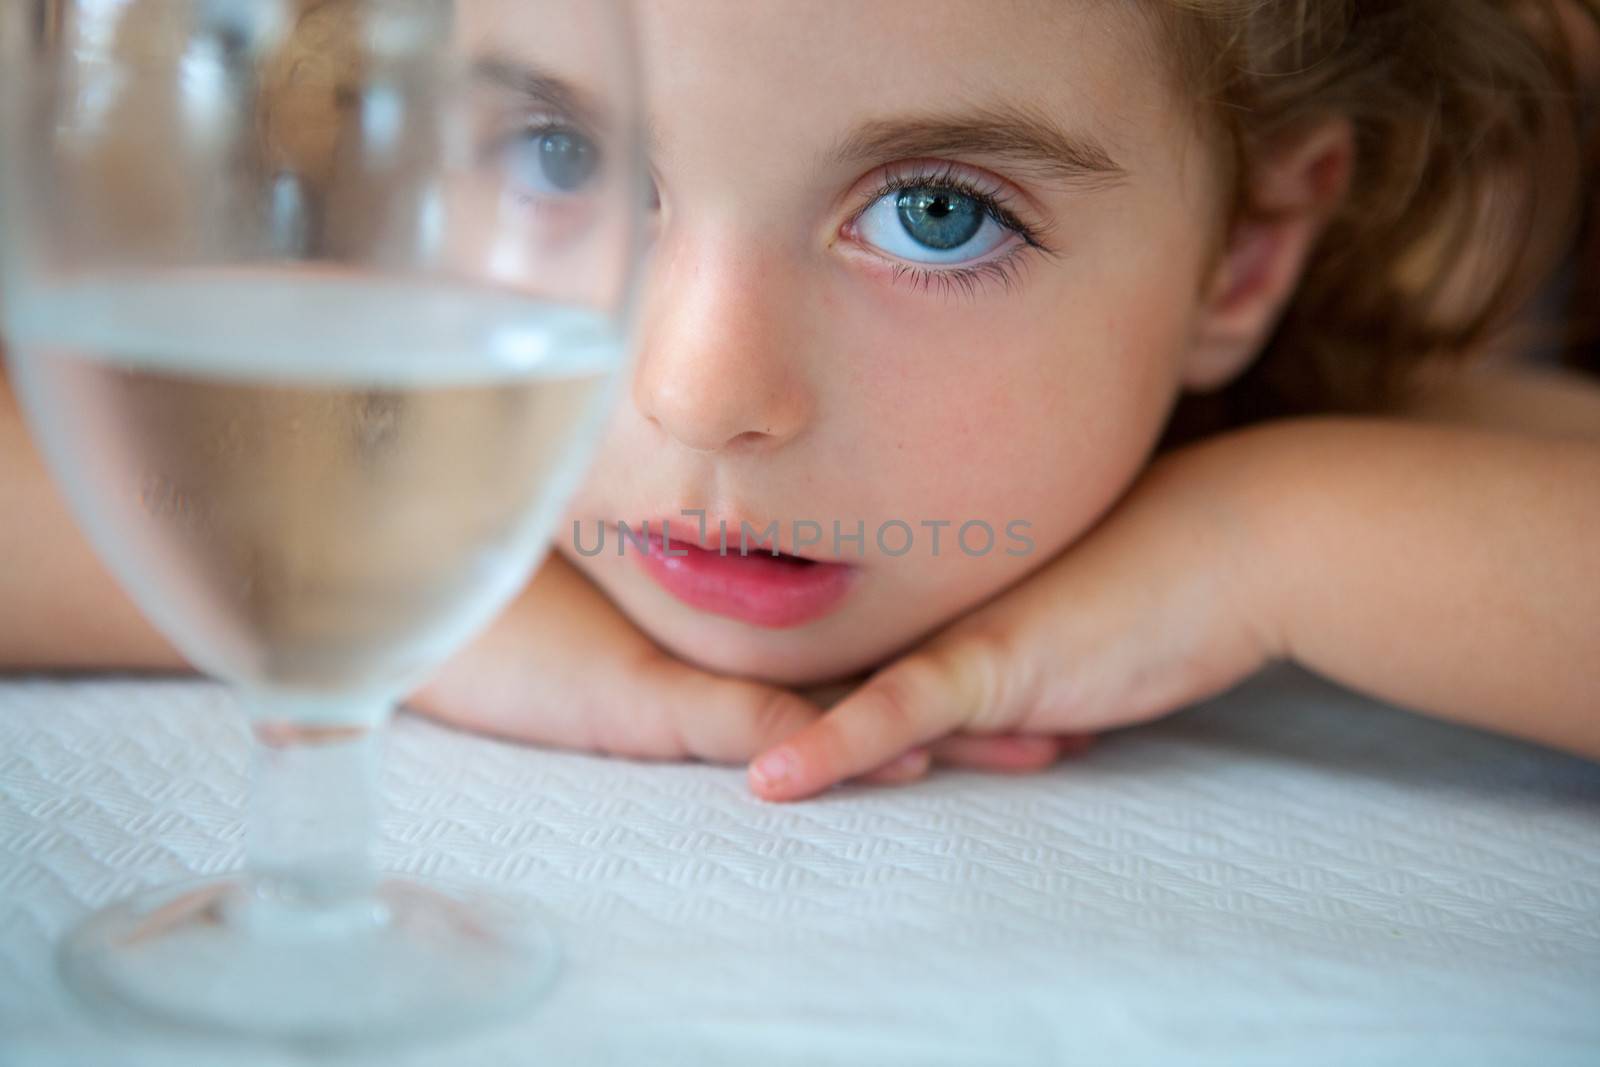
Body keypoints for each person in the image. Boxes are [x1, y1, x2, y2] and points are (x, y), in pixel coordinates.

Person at [2, 0, 1597, 803]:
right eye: (560, 157)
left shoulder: (1365, 443)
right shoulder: (386, 354)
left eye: (938, 214)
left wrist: (1270, 539)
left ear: (1244, 254)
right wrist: (413, 593)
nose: (701, 392)